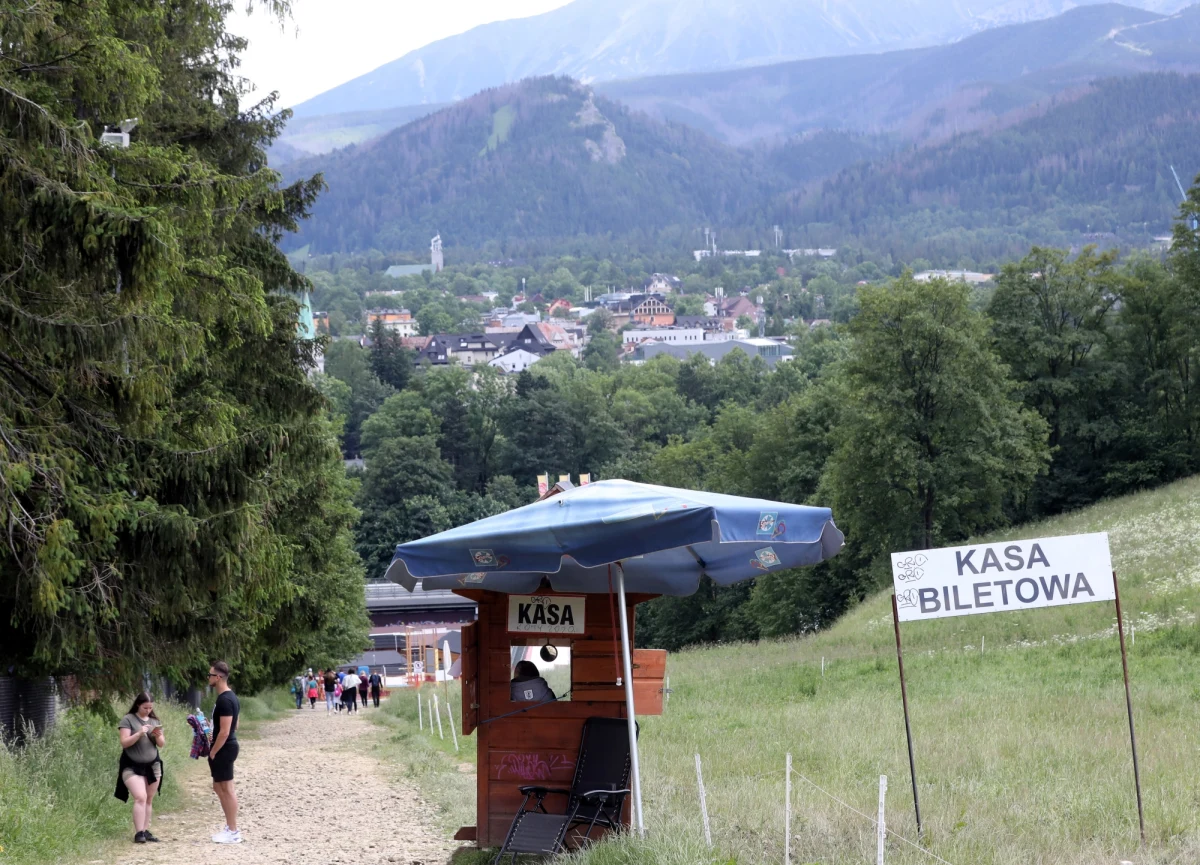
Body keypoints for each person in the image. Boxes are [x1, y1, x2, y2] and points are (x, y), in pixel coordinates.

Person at [115, 692, 165, 844]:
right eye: (145, 707)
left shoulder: (154, 721)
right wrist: (139, 734)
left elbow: (161, 744)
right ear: (138, 704)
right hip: (131, 766)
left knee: (149, 799)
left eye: (150, 708)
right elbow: (124, 742)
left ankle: (145, 830)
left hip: (153, 765)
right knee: (140, 797)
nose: (148, 710)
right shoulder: (128, 719)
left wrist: (158, 735)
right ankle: (138, 833)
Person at [207, 660, 242, 844]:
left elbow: (226, 730)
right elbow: (235, 723)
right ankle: (230, 827)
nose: (208, 678)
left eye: (210, 675)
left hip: (224, 747)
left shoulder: (226, 700)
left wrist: (213, 750)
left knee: (227, 789)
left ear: (218, 677)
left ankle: (233, 830)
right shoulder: (230, 698)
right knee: (218, 786)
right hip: (226, 745)